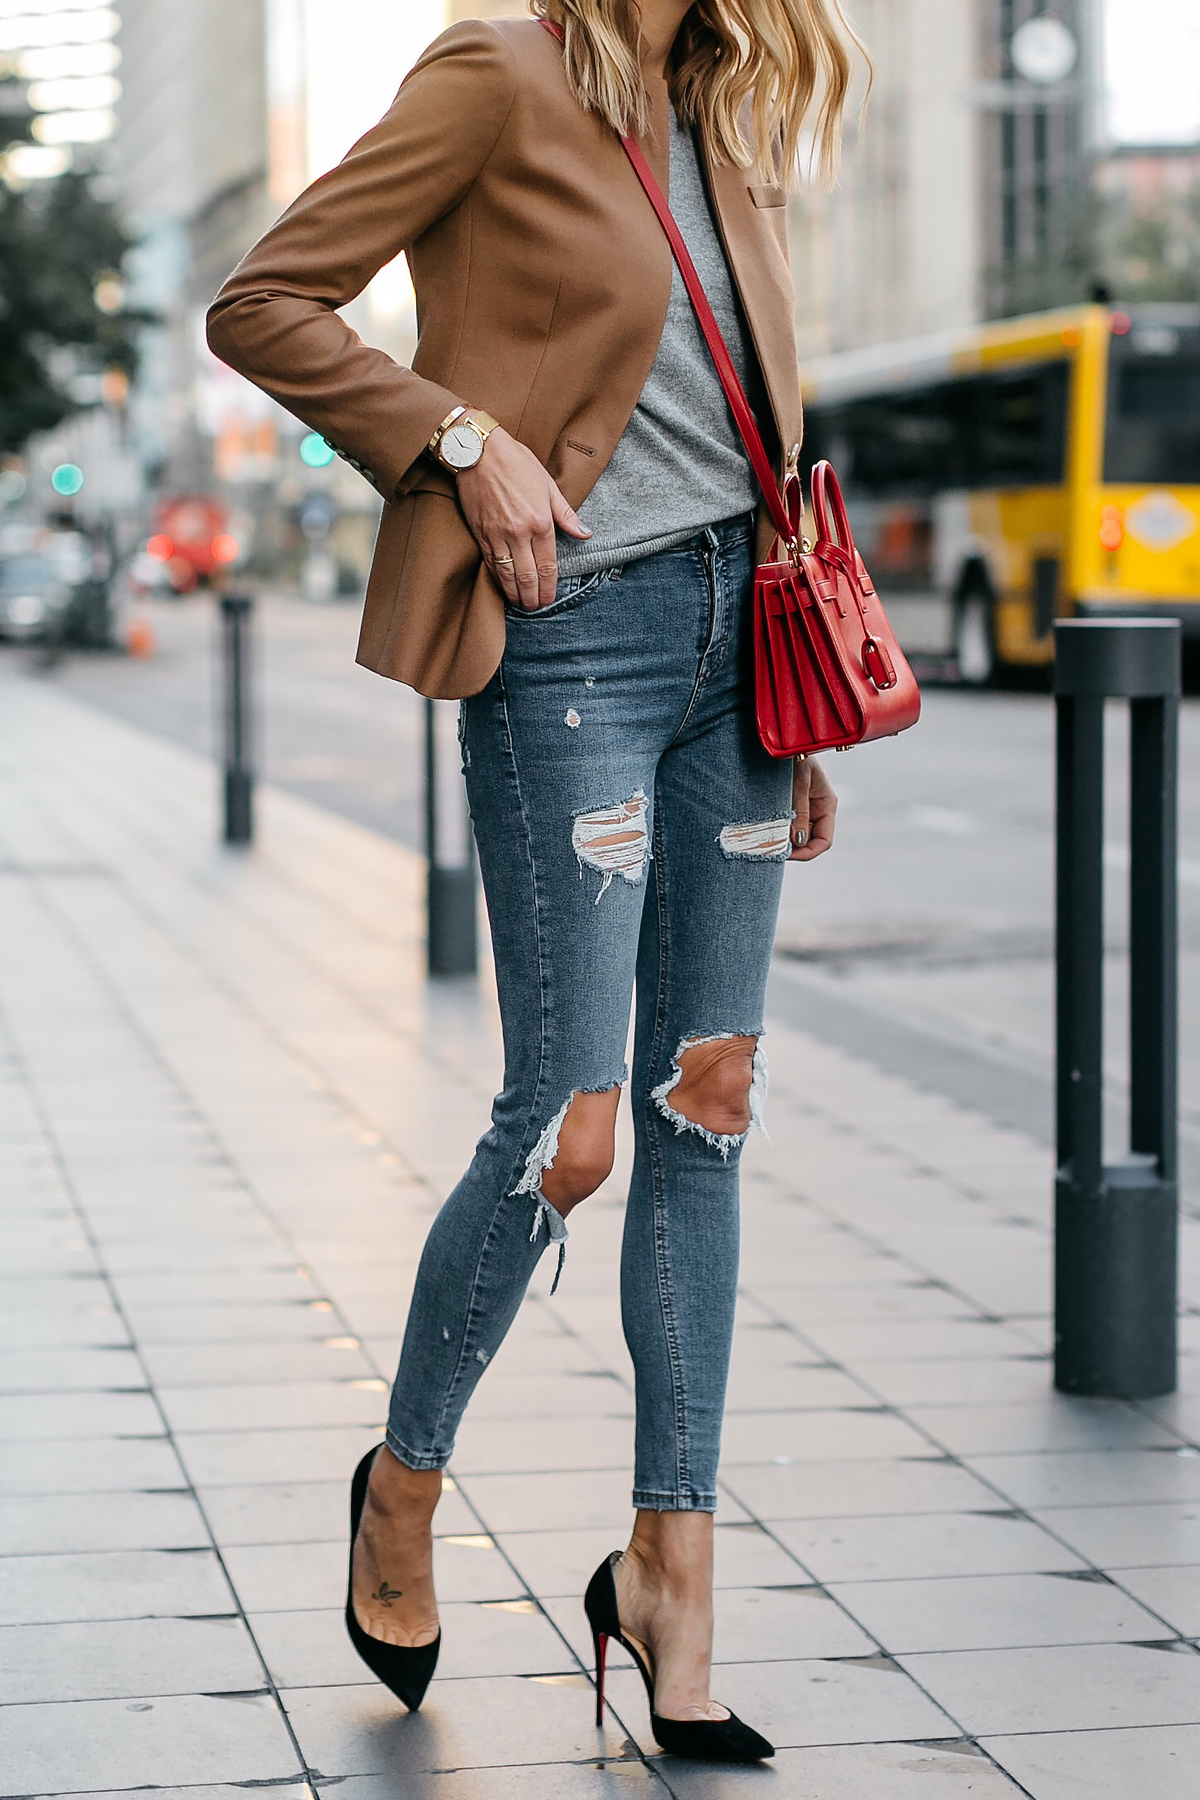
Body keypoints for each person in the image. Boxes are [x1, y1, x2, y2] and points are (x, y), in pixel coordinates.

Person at [207, 0, 859, 1763]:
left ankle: (671, 1575)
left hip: (743, 658)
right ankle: (403, 1485)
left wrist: (793, 707)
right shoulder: (497, 71)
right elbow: (262, 301)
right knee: (570, 1124)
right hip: (573, 647)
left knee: (703, 1110)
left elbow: (754, 422)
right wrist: (459, 441)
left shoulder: (725, 103)